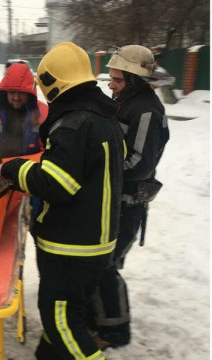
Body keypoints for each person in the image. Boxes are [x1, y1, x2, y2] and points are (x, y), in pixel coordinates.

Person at [0, 41, 125, 360]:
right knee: (69, 318)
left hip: (71, 248)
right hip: (96, 243)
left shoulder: (72, 124)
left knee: (61, 323)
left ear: (54, 83)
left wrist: (13, 168)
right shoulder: (104, 118)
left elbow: (56, 184)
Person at [90, 45, 170, 349]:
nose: (111, 85)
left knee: (105, 266)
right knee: (101, 264)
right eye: (111, 79)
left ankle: (115, 330)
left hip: (127, 203)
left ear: (135, 81)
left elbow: (140, 163)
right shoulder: (124, 103)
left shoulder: (146, 110)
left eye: (118, 80)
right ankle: (98, 318)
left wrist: (98, 169)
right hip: (113, 200)